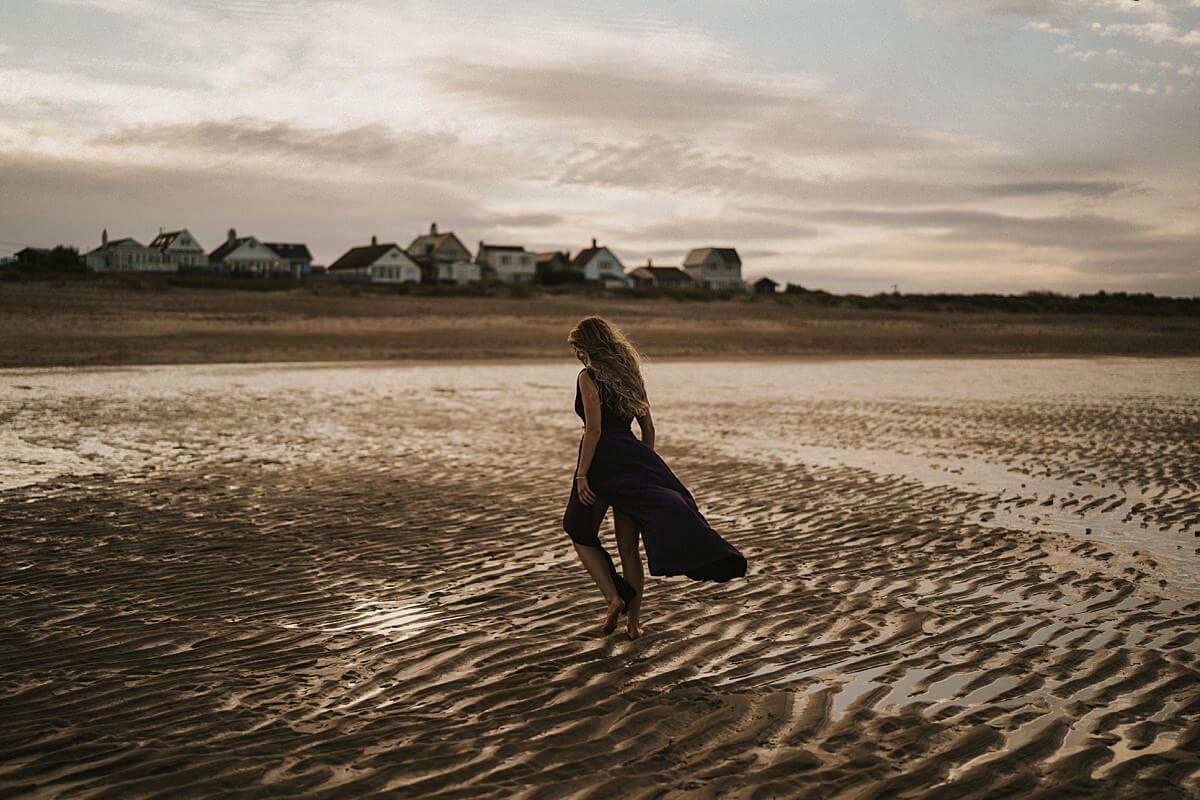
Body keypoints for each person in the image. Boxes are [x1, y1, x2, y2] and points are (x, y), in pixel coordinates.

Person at [562, 316, 747, 640]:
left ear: (587, 347)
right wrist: (641, 467)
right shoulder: (631, 376)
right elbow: (648, 429)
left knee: (577, 528)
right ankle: (634, 625)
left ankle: (614, 596)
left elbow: (594, 430)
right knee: (628, 550)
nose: (577, 354)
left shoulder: (587, 377)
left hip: (601, 462)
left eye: (578, 348)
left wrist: (581, 475)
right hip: (633, 462)